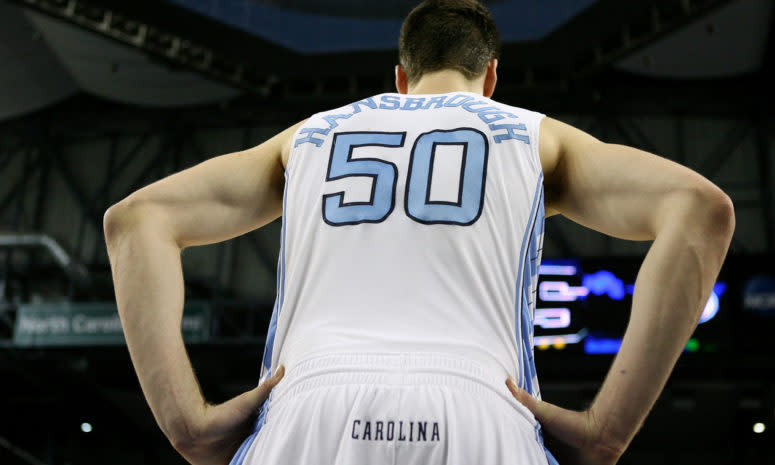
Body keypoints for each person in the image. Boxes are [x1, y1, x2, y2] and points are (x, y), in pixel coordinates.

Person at [103, 1, 734, 464]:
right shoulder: (532, 133)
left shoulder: (309, 136)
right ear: (490, 78)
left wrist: (186, 422)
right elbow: (702, 209)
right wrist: (608, 429)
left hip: (311, 404)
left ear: (399, 78)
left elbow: (135, 221)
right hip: (481, 408)